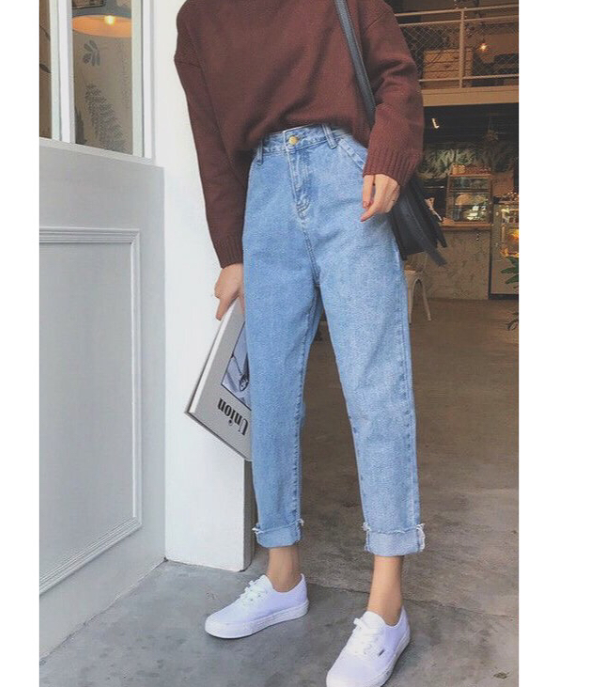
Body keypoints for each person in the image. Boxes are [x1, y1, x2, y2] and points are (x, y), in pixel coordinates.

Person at [175, 1, 424, 685]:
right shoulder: (197, 19)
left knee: (375, 386)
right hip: (263, 196)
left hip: (349, 177)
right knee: (273, 394)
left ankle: (387, 604)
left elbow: (396, 73)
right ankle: (282, 576)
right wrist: (231, 251)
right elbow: (210, 145)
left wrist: (388, 152)